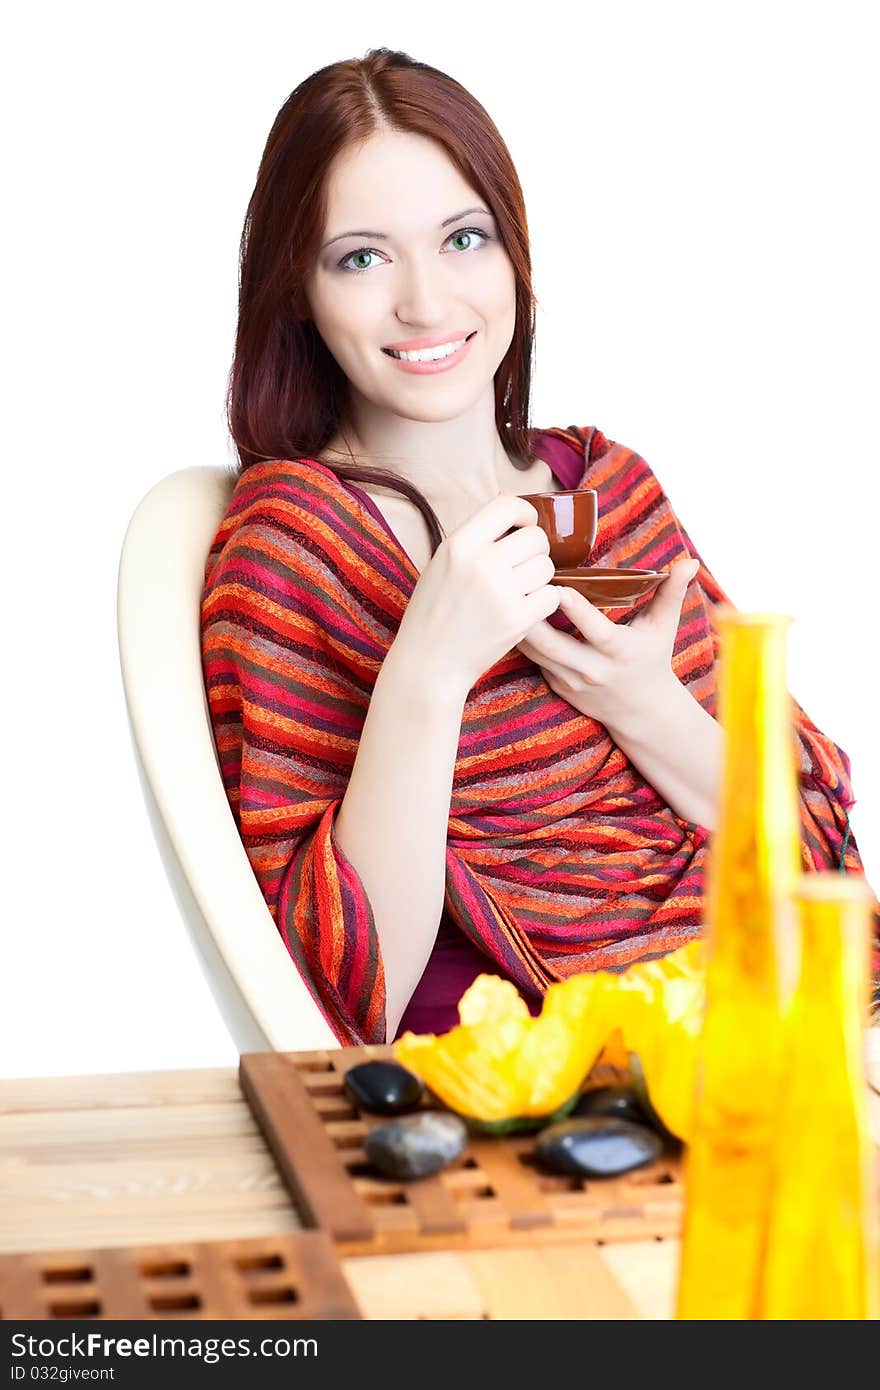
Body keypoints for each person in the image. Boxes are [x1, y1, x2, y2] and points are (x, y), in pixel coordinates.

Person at [201, 47, 877, 1046]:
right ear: (295, 288)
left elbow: (814, 850)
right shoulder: (291, 547)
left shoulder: (609, 485)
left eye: (462, 239)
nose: (427, 304)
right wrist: (426, 669)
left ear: (513, 252)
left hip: (789, 1011)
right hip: (561, 1082)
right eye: (361, 256)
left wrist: (641, 701)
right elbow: (347, 994)